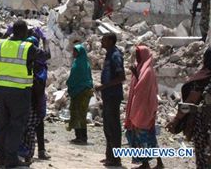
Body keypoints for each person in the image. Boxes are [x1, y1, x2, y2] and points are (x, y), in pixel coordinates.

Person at [0, 20, 47, 168]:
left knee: (3, 124)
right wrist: (44, 39)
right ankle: (11, 160)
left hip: (2, 90)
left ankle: (1, 158)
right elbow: (45, 56)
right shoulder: (27, 48)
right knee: (16, 125)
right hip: (20, 91)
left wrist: (6, 33)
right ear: (24, 32)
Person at [167, 46, 211, 169]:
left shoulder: (203, 79)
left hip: (204, 125)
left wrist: (176, 121)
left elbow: (190, 102)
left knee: (204, 157)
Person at [124, 44, 164, 169]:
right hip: (140, 109)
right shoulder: (141, 68)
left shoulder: (147, 71)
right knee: (145, 136)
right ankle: (148, 163)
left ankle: (154, 163)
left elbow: (141, 90)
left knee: (144, 136)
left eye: (138, 54)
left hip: (144, 110)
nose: (136, 56)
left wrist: (135, 74)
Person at [95, 33, 125, 167]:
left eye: (104, 39)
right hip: (108, 96)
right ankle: (110, 155)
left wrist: (103, 86)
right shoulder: (109, 54)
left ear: (111, 41)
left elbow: (121, 77)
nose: (101, 42)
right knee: (108, 126)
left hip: (113, 96)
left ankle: (116, 159)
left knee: (113, 127)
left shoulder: (115, 55)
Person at [21, 29, 51, 162]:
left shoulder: (24, 60)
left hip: (26, 96)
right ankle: (39, 151)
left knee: (26, 124)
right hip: (35, 98)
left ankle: (27, 149)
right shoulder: (39, 63)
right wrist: (45, 41)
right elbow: (47, 55)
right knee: (37, 124)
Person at [66, 43, 93, 145]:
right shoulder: (84, 63)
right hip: (84, 90)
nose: (73, 53)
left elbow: (74, 78)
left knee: (79, 114)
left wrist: (69, 84)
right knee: (78, 113)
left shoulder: (78, 64)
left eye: (75, 51)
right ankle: (79, 136)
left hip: (80, 92)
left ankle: (82, 137)